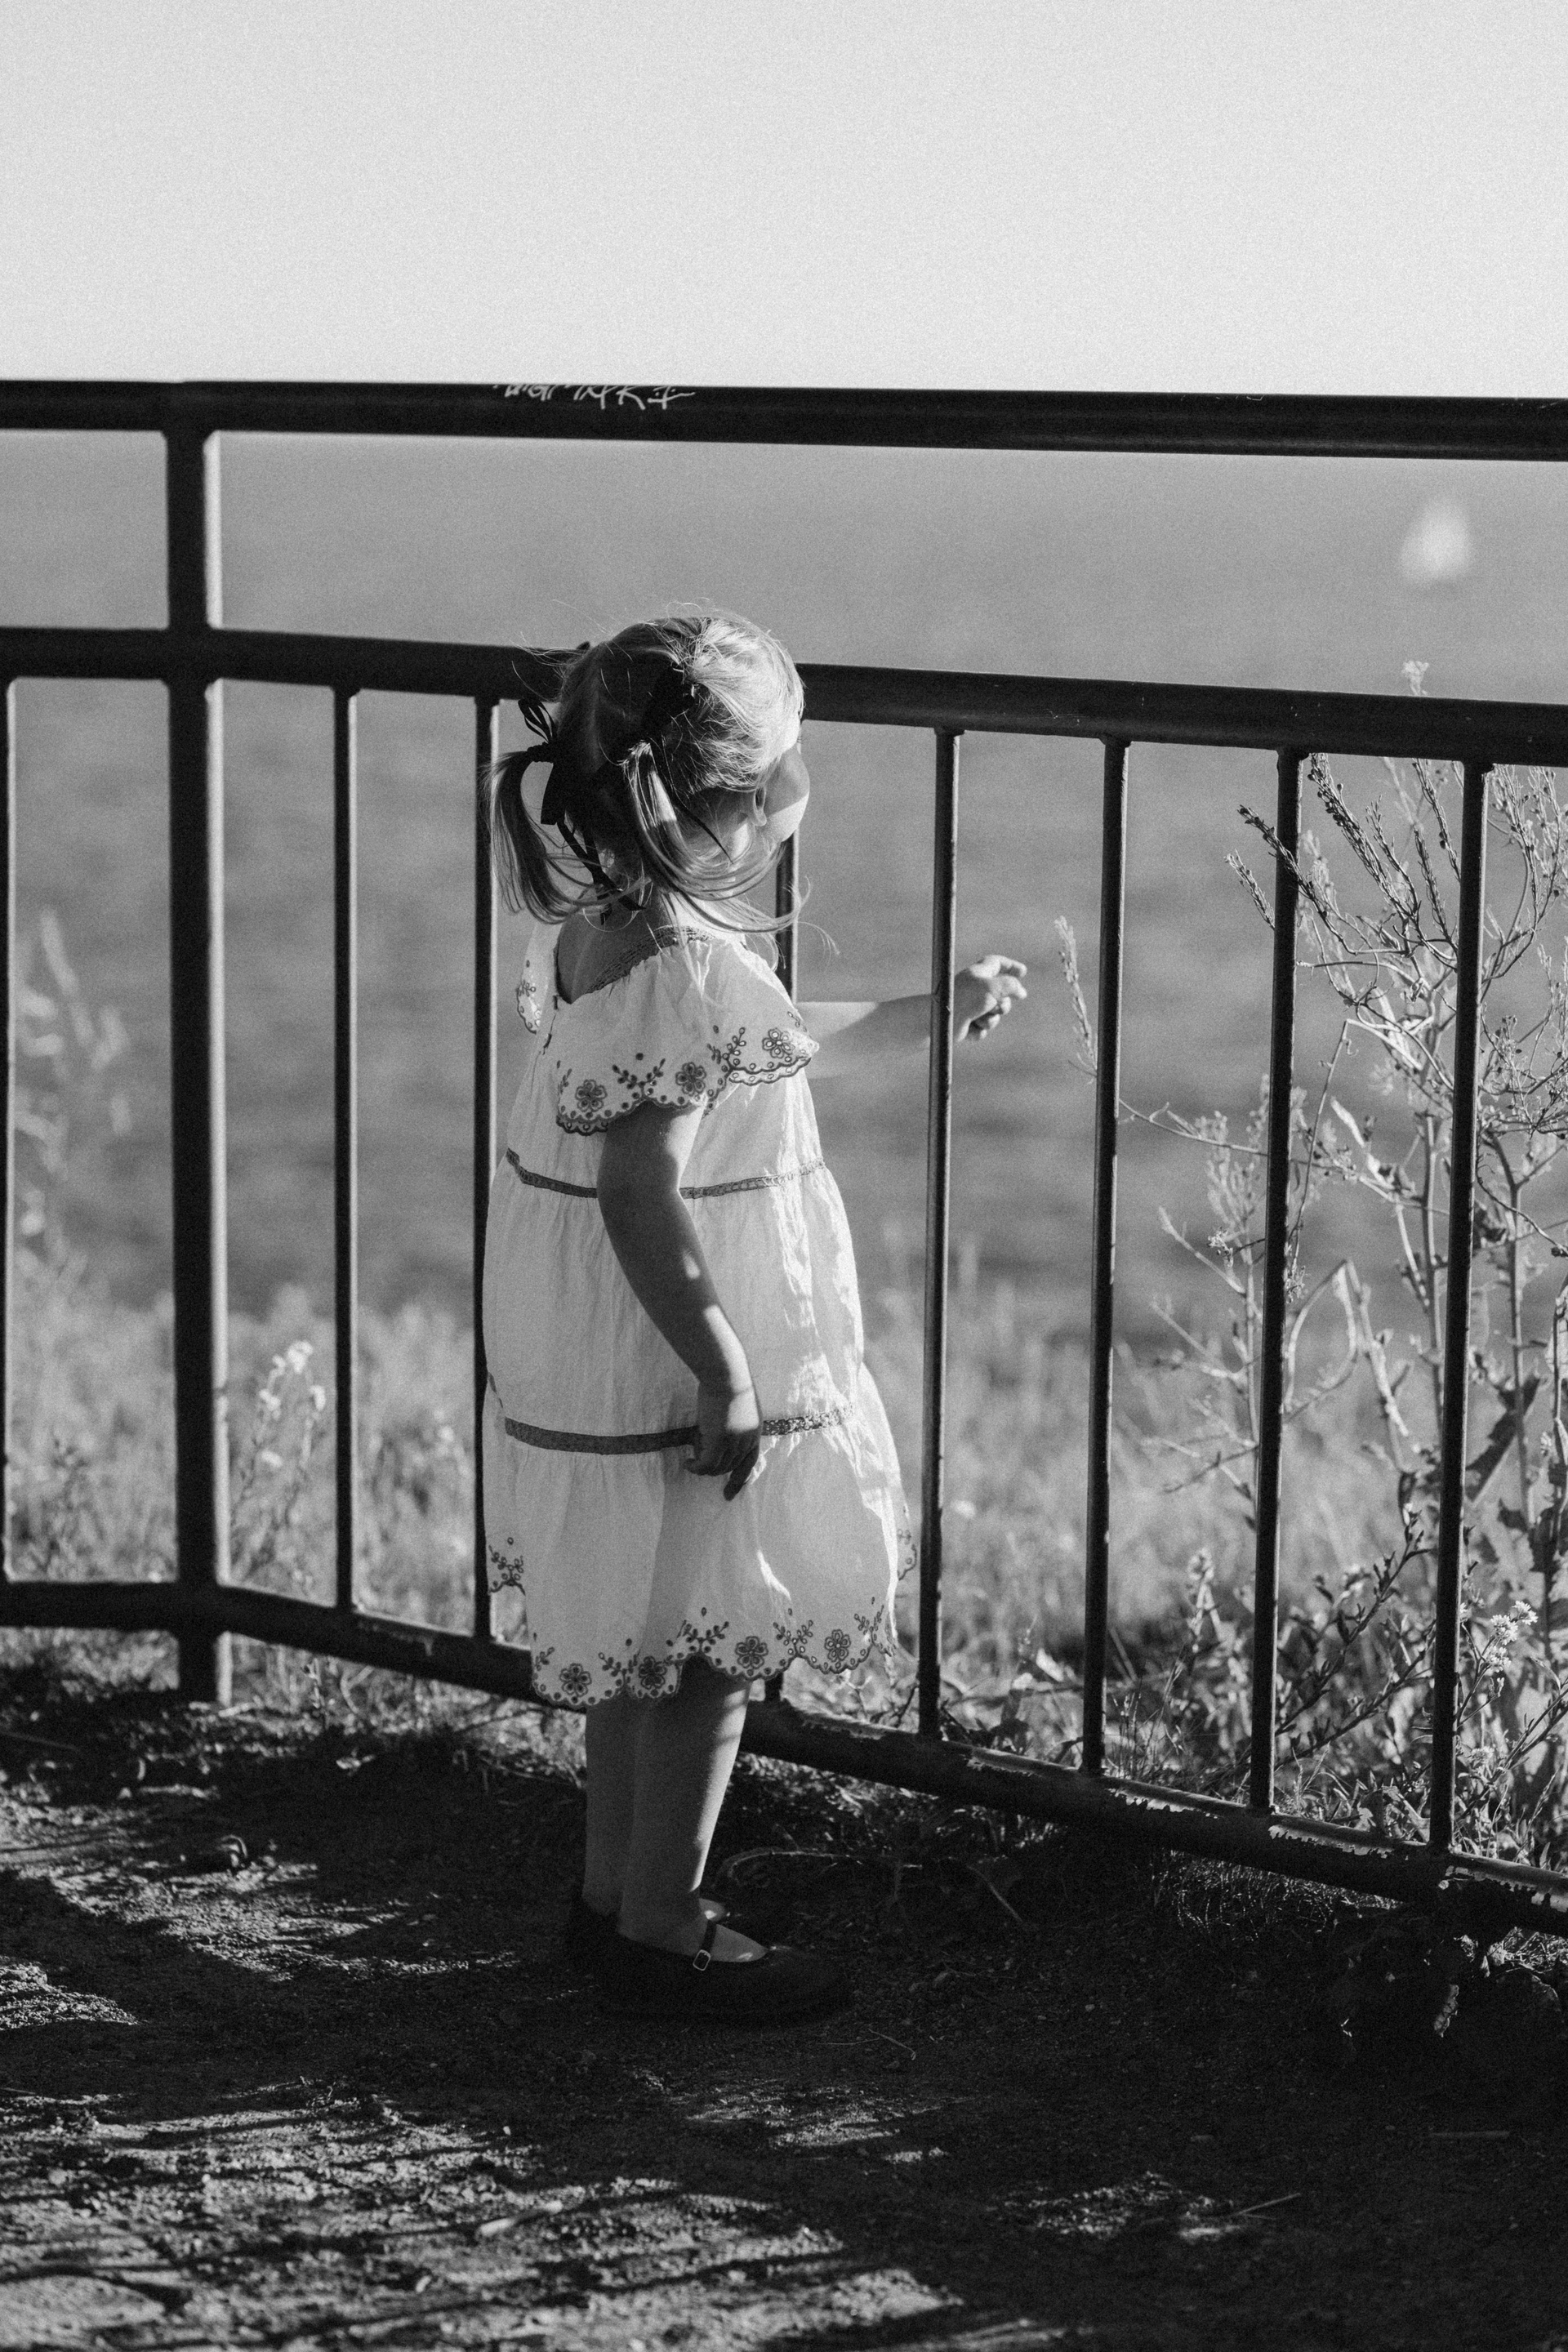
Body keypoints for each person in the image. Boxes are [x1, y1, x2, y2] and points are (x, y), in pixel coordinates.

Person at [482, 612, 1026, 2024]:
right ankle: (667, 1931)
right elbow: (639, 1184)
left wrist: (929, 1010)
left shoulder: (612, 929)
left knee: (647, 1633)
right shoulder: (682, 964)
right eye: (782, 769)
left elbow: (761, 1037)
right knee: (719, 1646)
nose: (796, 791)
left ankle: (612, 1904)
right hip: (679, 1338)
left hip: (612, 1340)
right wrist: (725, 1366)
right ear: (727, 804)